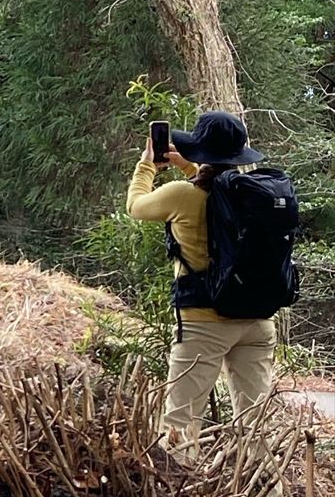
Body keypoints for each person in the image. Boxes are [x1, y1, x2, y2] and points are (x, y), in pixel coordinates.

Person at [127, 110, 299, 443]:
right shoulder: (252, 196)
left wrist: (147, 165)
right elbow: (216, 195)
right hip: (257, 320)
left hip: (204, 323)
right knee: (255, 426)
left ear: (199, 150)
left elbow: (136, 206)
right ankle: (262, 479)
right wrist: (190, 167)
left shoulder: (181, 195)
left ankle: (179, 479)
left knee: (180, 422)